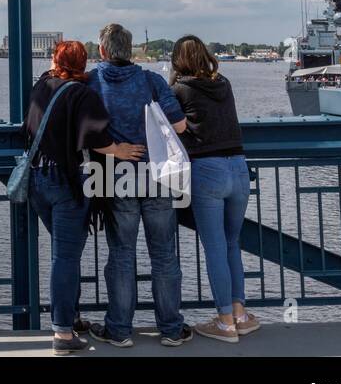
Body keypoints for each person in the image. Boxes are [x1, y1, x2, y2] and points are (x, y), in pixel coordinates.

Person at [25, 40, 146, 354]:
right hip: (69, 182)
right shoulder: (82, 94)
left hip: (39, 179)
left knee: (61, 253)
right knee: (65, 256)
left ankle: (72, 316)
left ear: (55, 59)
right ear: (84, 63)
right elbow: (95, 137)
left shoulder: (40, 86)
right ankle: (63, 333)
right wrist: (119, 150)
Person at [85, 22, 192, 348]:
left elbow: (83, 130)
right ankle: (172, 329)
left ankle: (119, 330)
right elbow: (180, 125)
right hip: (157, 175)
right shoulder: (151, 80)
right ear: (130, 50)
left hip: (113, 178)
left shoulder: (92, 81)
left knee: (121, 255)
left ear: (102, 50)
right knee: (163, 255)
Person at [169, 35, 260, 342]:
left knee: (216, 247)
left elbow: (169, 126)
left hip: (207, 169)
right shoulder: (224, 83)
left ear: (178, 60)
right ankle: (240, 314)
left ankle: (224, 322)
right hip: (239, 166)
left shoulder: (179, 89)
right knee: (232, 243)